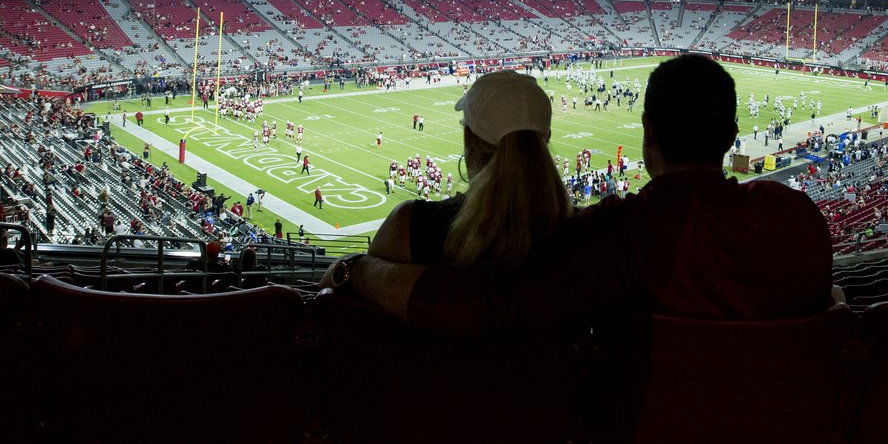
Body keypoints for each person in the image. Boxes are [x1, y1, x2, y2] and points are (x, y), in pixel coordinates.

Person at [325, 54, 832, 332]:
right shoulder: (799, 221)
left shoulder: (619, 235)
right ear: (731, 135)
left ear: (647, 131)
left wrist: (358, 270)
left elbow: (476, 308)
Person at [351, 69, 570, 271]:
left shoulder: (412, 224)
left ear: (469, 141)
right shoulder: (581, 230)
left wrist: (354, 270)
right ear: (546, 137)